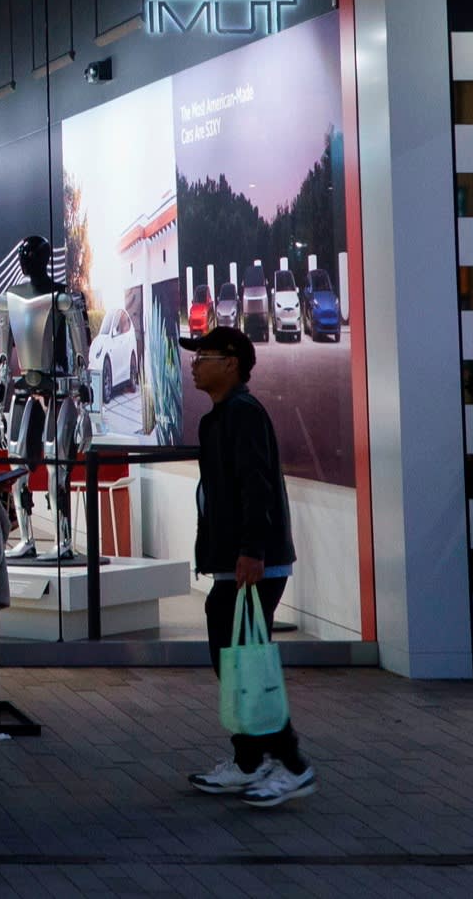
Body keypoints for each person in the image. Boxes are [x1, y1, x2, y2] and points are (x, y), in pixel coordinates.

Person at [181, 324, 316, 808]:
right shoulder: (217, 418)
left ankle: (293, 764)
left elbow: (257, 484)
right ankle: (248, 762)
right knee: (233, 659)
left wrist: (252, 551)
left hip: (254, 563)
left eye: (204, 355)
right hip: (231, 561)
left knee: (244, 661)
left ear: (232, 361)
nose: (194, 363)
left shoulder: (243, 414)